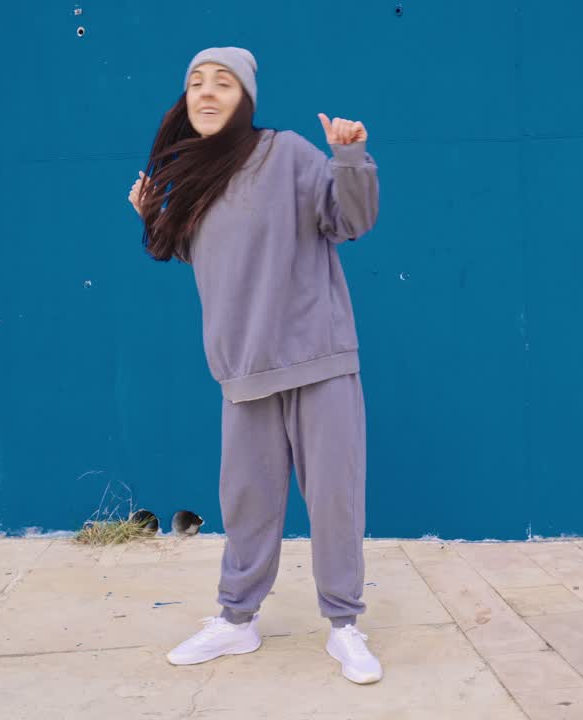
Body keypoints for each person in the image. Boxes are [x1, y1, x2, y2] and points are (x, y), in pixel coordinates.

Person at [127, 47, 382, 684]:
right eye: (196, 83)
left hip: (318, 357)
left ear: (245, 97)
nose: (207, 92)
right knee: (246, 503)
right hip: (244, 370)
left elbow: (350, 220)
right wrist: (154, 216)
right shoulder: (192, 177)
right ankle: (237, 621)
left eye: (223, 82)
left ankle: (344, 627)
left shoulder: (286, 152)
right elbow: (213, 258)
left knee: (335, 502)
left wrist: (349, 157)